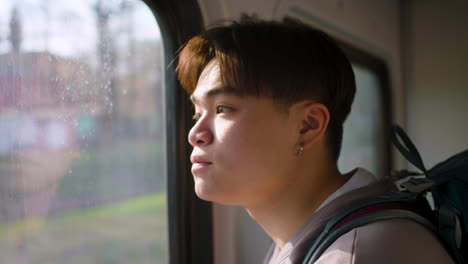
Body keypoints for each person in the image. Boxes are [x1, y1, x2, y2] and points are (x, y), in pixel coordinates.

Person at [176, 19, 453, 264]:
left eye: (223, 108)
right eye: (197, 112)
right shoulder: (303, 237)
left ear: (307, 126)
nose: (195, 133)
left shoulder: (359, 253)